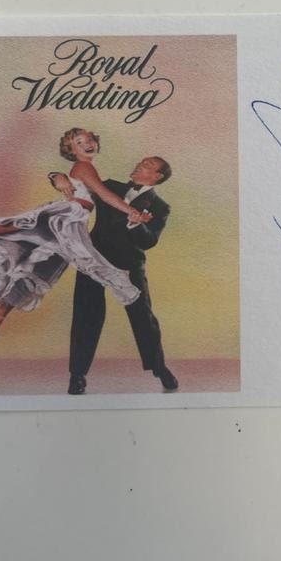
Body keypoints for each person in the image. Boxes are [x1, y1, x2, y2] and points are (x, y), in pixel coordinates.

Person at [0, 128, 147, 341]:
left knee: (31, 271)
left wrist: (57, 176)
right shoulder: (84, 166)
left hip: (72, 222)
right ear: (71, 151)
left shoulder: (87, 167)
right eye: (80, 142)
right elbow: (104, 195)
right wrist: (132, 212)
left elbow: (101, 192)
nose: (87, 144)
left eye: (89, 139)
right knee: (34, 232)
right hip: (69, 218)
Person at [51, 154, 179, 395]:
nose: (139, 164)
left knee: (143, 317)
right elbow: (77, 186)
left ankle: (160, 369)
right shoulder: (109, 186)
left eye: (147, 165)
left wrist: (136, 224)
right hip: (93, 259)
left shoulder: (161, 207)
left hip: (129, 263)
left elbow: (149, 242)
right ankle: (77, 376)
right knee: (85, 314)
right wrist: (55, 176)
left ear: (157, 176)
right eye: (141, 161)